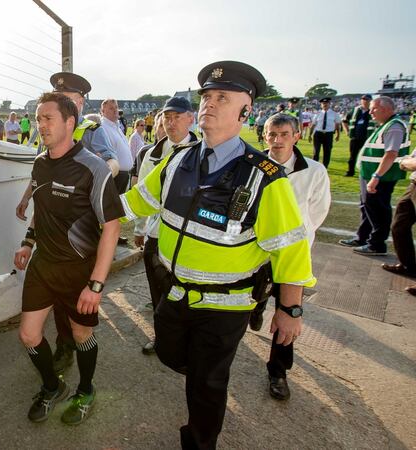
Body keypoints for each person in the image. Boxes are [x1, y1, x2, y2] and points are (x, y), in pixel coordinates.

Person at [121, 60, 314, 449]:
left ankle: (199, 442)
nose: (209, 103)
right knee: (170, 353)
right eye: (207, 96)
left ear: (245, 112)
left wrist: (290, 310)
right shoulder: (179, 160)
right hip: (176, 293)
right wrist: (84, 203)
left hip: (226, 306)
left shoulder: (266, 178)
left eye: (222, 97)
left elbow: (290, 253)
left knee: (207, 384)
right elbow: (135, 203)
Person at [14, 91, 122, 425]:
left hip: (79, 270)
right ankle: (51, 387)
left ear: (70, 123)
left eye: (47, 118)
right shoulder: (39, 162)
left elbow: (112, 228)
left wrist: (96, 284)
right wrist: (28, 243)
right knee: (29, 335)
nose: (40, 124)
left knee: (80, 336)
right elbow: (41, 208)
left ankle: (86, 389)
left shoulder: (93, 168)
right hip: (43, 265)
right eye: (37, 119)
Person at [249, 113, 330, 400]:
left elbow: (318, 212)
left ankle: (278, 371)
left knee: (288, 310)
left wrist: (297, 239)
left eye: (284, 134)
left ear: (297, 136)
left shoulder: (314, 171)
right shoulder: (255, 166)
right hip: (259, 251)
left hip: (293, 255)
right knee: (254, 293)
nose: (277, 140)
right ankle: (257, 308)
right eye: (272, 134)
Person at [131, 96, 198, 356]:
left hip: (188, 238)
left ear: (190, 119)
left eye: (177, 117)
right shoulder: (152, 153)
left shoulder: (204, 151)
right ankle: (162, 339)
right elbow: (142, 195)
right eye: (166, 118)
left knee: (185, 294)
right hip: (157, 235)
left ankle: (186, 340)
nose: (170, 123)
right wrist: (139, 229)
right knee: (158, 292)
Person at [340, 96, 410, 256]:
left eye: (374, 108)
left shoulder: (394, 126)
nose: (370, 112)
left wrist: (376, 176)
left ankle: (376, 244)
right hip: (371, 174)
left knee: (377, 209)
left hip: (381, 177)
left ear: (385, 109)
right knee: (367, 207)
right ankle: (363, 237)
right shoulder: (385, 125)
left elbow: (391, 154)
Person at [385, 148, 416, 295]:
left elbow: (408, 162)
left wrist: (405, 161)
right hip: (414, 184)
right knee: (399, 226)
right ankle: (408, 265)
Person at [101, 98, 133, 193]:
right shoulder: (103, 128)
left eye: (116, 107)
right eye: (111, 108)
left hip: (124, 176)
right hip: (115, 177)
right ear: (102, 111)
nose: (115, 110)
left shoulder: (116, 126)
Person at [343, 94, 375, 177]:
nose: (365, 101)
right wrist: (347, 131)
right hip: (355, 137)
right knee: (352, 156)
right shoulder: (355, 110)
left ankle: (366, 172)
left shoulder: (373, 111)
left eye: (367, 100)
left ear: (370, 101)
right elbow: (344, 121)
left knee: (367, 155)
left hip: (368, 137)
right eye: (363, 99)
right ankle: (350, 171)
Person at [307, 97, 341, 167]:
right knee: (316, 151)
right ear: (321, 105)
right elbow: (313, 125)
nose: (325, 105)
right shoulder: (317, 114)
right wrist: (310, 135)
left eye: (326, 103)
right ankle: (314, 167)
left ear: (329, 104)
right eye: (323, 103)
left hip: (328, 134)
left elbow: (337, 125)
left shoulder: (334, 114)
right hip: (318, 134)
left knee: (327, 152)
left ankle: (325, 167)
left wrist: (338, 135)